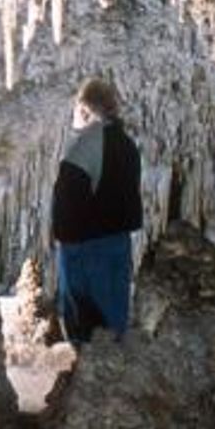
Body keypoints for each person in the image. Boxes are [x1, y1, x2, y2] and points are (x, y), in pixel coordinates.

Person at [49, 77, 144, 344]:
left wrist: (62, 238)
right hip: (118, 243)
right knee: (114, 326)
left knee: (86, 329)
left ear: (85, 109)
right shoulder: (127, 144)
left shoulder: (87, 143)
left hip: (85, 248)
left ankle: (89, 376)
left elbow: (68, 199)